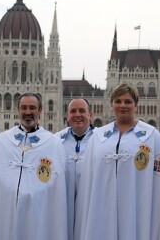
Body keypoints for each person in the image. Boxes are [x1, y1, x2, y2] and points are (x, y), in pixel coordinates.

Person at [74, 83, 160, 240]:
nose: (122, 105)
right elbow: (87, 182)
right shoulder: (98, 137)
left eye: (128, 101)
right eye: (118, 101)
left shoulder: (153, 137)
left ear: (136, 105)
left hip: (137, 213)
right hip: (102, 211)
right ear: (111, 105)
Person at [0, 93, 68, 240]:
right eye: (24, 108)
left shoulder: (53, 143)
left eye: (32, 108)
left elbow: (56, 185)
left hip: (38, 211)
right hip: (4, 210)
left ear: (40, 110)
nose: (28, 112)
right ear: (18, 110)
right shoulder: (2, 140)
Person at [54, 98, 94, 239]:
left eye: (82, 111)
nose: (77, 115)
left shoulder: (102, 141)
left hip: (92, 209)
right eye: (73, 111)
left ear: (90, 115)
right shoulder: (55, 141)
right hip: (62, 208)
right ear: (67, 116)